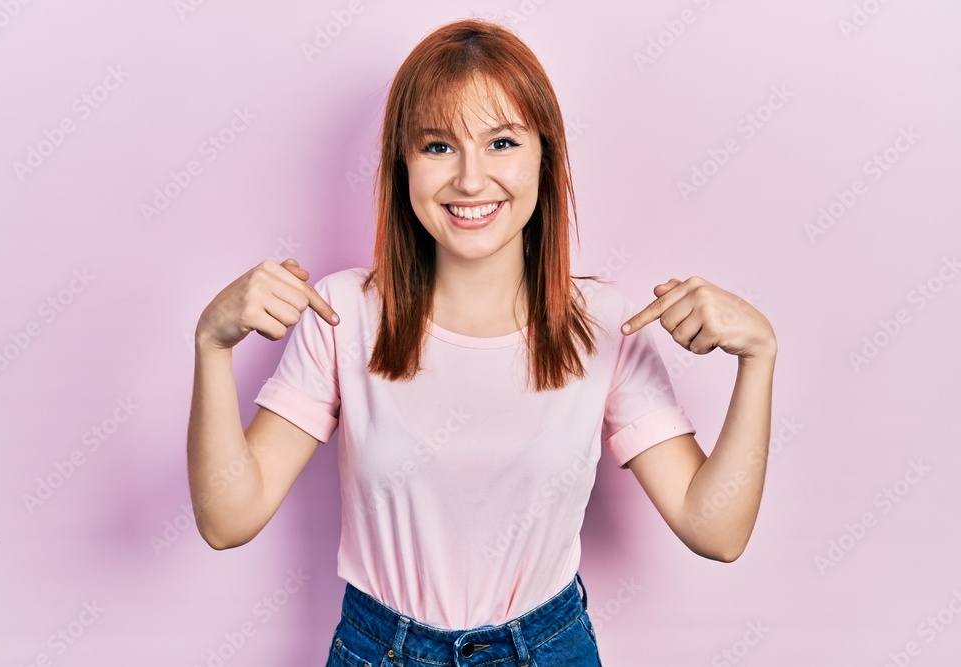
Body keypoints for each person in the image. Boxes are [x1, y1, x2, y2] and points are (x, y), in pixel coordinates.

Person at [186, 18, 777, 667]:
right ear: (402, 163)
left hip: (547, 648)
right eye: (438, 146)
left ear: (545, 157)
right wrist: (213, 345)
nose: (470, 180)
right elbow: (228, 517)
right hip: (381, 648)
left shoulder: (607, 325)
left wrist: (759, 357)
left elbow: (715, 529)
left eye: (501, 142)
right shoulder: (341, 315)